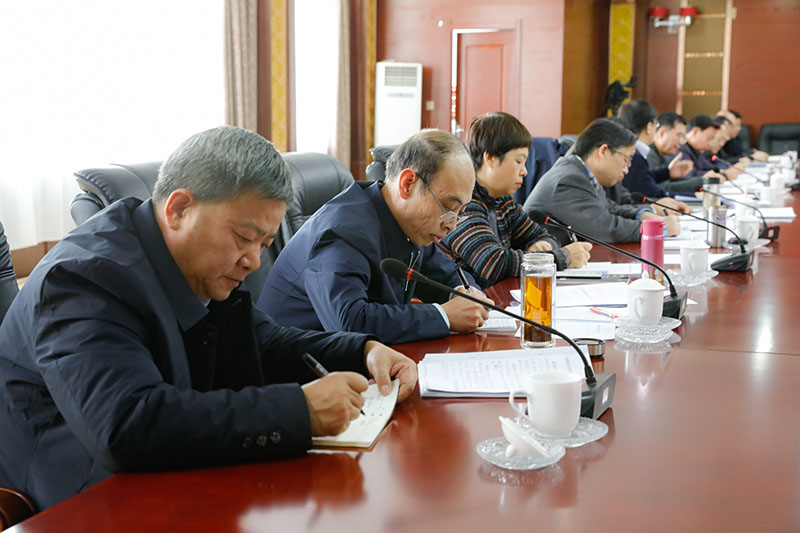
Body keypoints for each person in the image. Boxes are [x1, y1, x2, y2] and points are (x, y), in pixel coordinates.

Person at [0, 126, 418, 510]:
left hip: (166, 472)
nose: (253, 261)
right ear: (179, 208)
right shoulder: (85, 278)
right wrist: (300, 411)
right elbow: (128, 424)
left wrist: (362, 351)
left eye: (264, 244)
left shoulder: (197, 263)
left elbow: (264, 343)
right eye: (244, 237)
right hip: (78, 497)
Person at [257, 129, 493, 345]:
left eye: (460, 212)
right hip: (300, 367)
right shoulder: (342, 232)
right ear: (407, 184)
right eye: (448, 208)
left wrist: (466, 293)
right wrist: (444, 316)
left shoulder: (410, 224)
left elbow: (445, 273)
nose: (452, 225)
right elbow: (350, 322)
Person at [437, 112, 592, 289]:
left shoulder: (502, 201)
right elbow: (493, 264)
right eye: (519, 161)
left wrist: (541, 245)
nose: (524, 171)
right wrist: (562, 257)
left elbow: (541, 235)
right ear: (490, 158)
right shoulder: (465, 203)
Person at [523, 118, 680, 244]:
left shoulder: (581, 172)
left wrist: (641, 214)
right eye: (626, 160)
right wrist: (658, 229)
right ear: (603, 151)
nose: (626, 169)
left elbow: (609, 208)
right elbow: (605, 228)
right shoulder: (569, 179)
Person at [617, 100, 694, 206]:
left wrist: (667, 172)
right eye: (656, 125)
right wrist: (694, 196)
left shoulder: (632, 153)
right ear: (649, 127)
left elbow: (644, 177)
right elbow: (654, 194)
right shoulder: (635, 157)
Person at [674, 114, 737, 179]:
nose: (710, 144)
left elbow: (711, 167)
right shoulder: (680, 149)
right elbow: (690, 176)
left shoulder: (699, 151)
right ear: (695, 132)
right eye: (709, 138)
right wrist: (721, 175)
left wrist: (722, 172)